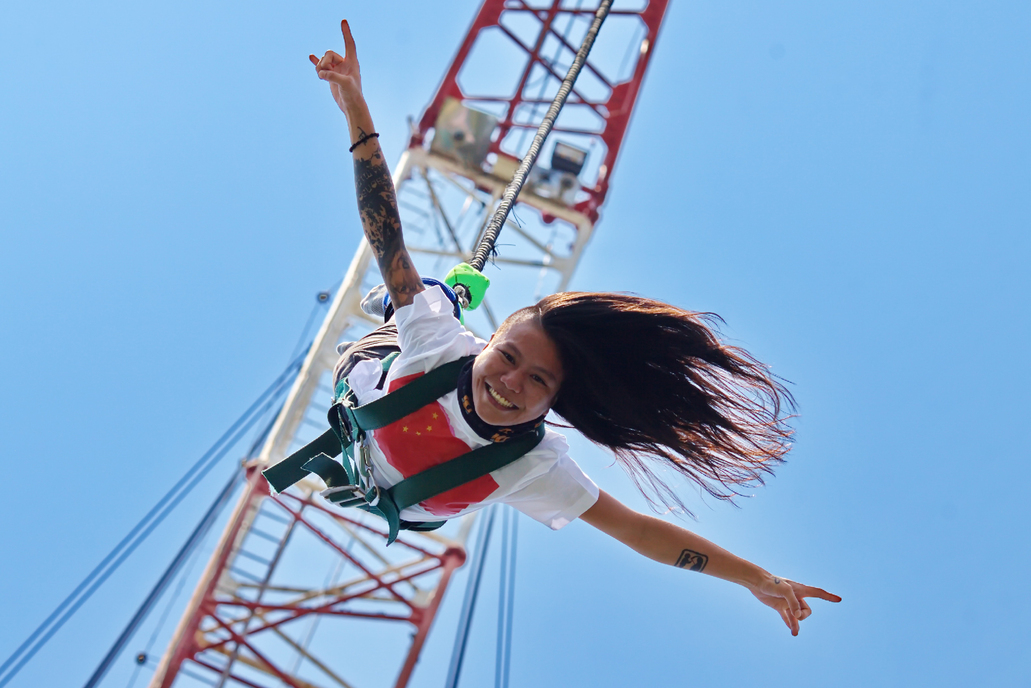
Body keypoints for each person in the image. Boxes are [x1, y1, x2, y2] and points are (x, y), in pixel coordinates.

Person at [309, 20, 840, 637]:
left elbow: (640, 532)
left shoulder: (534, 463)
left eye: (538, 381)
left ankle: (450, 293)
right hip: (377, 380)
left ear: (556, 400)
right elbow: (386, 231)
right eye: (507, 356)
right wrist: (355, 106)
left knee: (424, 305)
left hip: (391, 472)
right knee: (418, 301)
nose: (511, 383)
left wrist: (758, 578)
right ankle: (449, 294)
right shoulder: (439, 347)